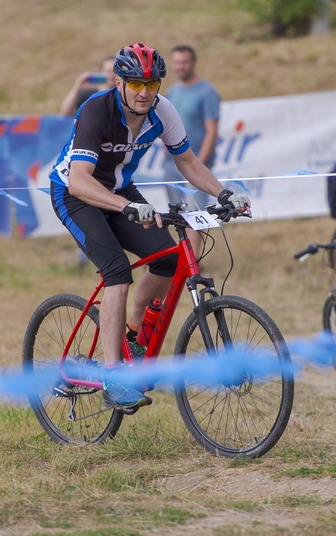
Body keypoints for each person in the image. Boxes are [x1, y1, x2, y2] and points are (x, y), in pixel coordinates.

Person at [49, 43, 249, 410]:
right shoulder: (97, 109)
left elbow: (187, 161)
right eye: (136, 84)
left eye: (152, 84)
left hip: (119, 190)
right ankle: (113, 378)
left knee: (169, 260)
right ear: (119, 82)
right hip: (75, 195)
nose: (145, 92)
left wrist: (224, 193)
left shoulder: (162, 110)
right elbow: (79, 180)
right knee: (118, 273)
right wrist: (128, 207)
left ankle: (133, 331)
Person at [163, 45, 221, 209]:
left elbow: (211, 132)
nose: (180, 66)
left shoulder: (207, 92)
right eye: (176, 62)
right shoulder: (172, 91)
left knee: (195, 212)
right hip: (172, 163)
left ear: (193, 63)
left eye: (184, 62)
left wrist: (199, 165)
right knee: (177, 214)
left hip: (195, 161)